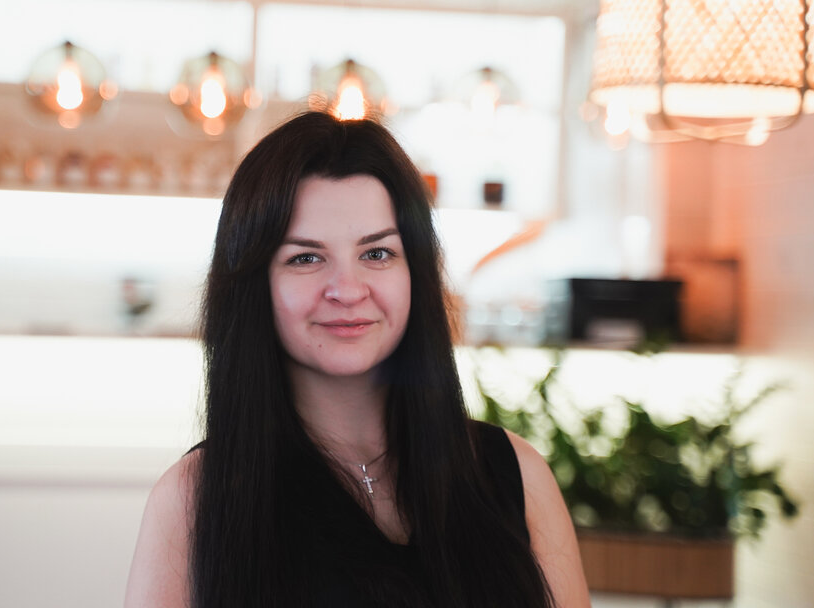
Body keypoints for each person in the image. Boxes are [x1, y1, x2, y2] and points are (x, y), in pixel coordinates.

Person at [125, 112, 589, 607]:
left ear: (416, 274)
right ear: (255, 284)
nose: (347, 290)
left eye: (377, 254)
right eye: (305, 258)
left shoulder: (516, 473)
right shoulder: (193, 498)